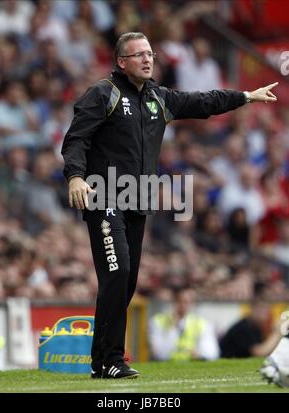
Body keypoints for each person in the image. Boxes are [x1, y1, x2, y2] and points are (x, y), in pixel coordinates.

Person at [61, 31, 278, 379]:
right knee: (116, 274)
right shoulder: (105, 93)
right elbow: (76, 139)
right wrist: (75, 176)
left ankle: (103, 361)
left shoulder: (159, 98)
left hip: (136, 201)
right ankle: (110, 359)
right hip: (103, 197)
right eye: (139, 55)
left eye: (150, 53)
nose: (148, 59)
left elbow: (203, 101)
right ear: (121, 62)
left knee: (126, 280)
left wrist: (245, 96)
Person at [149, 287, 219, 361]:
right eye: (179, 301)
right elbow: (159, 354)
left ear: (192, 303)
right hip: (167, 364)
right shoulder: (157, 322)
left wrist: (199, 354)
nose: (183, 305)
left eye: (187, 302)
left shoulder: (202, 324)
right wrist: (172, 327)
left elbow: (211, 354)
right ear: (173, 302)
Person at [219, 293, 281, 359]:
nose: (265, 312)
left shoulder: (255, 327)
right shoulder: (243, 328)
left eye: (267, 308)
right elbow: (259, 353)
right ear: (253, 308)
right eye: (261, 308)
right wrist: (278, 332)